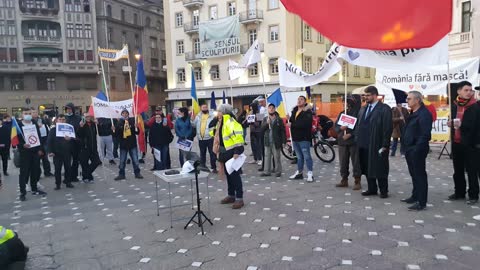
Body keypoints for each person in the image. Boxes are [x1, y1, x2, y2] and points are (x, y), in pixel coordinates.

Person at [355, 86, 393, 198]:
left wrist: (385, 144)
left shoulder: (384, 109)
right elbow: (359, 124)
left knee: (380, 167)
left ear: (375, 95)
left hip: (377, 143)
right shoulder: (363, 108)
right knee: (367, 167)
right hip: (363, 143)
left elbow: (387, 128)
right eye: (365, 95)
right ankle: (372, 188)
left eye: (368, 95)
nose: (366, 97)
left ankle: (383, 190)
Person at [447, 81, 480, 204]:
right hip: (457, 142)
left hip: (470, 144)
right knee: (458, 170)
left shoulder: (475, 106)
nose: (469, 93)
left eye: (470, 90)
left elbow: (475, 126)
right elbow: (454, 121)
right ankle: (459, 192)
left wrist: (461, 125)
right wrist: (451, 124)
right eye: (466, 90)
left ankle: (473, 195)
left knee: (472, 171)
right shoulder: (455, 105)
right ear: (459, 91)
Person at [401, 91, 433, 211]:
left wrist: (416, 149)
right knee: (413, 174)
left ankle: (422, 201)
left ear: (417, 100)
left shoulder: (424, 114)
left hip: (417, 149)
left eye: (409, 99)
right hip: (410, 148)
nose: (407, 100)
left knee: (420, 175)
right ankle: (415, 196)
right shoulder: (412, 112)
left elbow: (425, 135)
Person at [211, 104, 245, 209]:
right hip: (223, 152)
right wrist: (214, 122)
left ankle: (239, 198)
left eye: (219, 111)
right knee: (228, 175)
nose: (218, 113)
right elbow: (214, 133)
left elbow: (238, 137)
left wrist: (237, 151)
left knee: (235, 175)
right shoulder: (220, 122)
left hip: (231, 152)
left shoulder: (231, 122)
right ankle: (231, 195)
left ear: (224, 112)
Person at [17, 108, 47, 201]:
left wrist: (40, 149)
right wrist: (22, 145)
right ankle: (22, 192)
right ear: (22, 115)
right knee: (24, 173)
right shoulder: (18, 125)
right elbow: (15, 140)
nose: (28, 115)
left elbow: (38, 136)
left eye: (29, 113)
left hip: (35, 152)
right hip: (25, 153)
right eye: (25, 113)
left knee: (35, 171)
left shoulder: (34, 123)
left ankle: (34, 189)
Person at [335, 95, 362, 190]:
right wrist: (340, 128)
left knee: (356, 162)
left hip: (353, 142)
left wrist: (351, 134)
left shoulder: (359, 114)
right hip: (342, 141)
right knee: (343, 162)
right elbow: (336, 127)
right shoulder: (343, 113)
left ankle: (357, 180)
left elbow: (360, 128)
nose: (346, 104)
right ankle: (344, 179)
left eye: (348, 102)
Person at [289, 96, 314, 182]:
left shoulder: (307, 112)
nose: (299, 101)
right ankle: (299, 173)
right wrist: (289, 119)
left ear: (305, 102)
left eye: (301, 99)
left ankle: (310, 173)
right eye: (298, 99)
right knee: (299, 157)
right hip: (295, 138)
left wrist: (292, 125)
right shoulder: (294, 110)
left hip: (304, 138)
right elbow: (292, 121)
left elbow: (304, 124)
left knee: (307, 156)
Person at [47, 114, 74, 190]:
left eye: (63, 119)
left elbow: (74, 139)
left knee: (68, 168)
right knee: (57, 169)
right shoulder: (53, 130)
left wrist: (70, 139)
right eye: (60, 119)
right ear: (56, 121)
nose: (62, 121)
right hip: (57, 152)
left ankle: (68, 182)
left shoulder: (68, 128)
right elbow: (49, 141)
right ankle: (58, 184)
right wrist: (50, 151)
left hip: (67, 152)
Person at [114, 109, 143, 180]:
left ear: (128, 114)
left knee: (135, 159)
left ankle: (137, 173)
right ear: (121, 114)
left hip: (132, 143)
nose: (125, 114)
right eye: (123, 113)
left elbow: (137, 132)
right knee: (122, 160)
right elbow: (116, 134)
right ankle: (121, 174)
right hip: (123, 144)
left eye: (126, 113)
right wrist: (114, 130)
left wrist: (136, 127)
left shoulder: (132, 121)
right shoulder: (119, 122)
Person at [260, 104, 286, 177]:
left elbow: (282, 131)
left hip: (276, 141)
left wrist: (284, 141)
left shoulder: (278, 119)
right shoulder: (265, 119)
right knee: (267, 156)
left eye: (272, 108)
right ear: (267, 109)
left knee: (277, 156)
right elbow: (261, 129)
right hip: (267, 141)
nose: (271, 109)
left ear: (275, 109)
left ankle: (278, 171)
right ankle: (266, 171)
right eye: (269, 108)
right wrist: (266, 124)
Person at [78, 113, 101, 183]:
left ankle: (85, 174)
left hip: (93, 147)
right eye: (86, 116)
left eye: (89, 116)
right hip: (84, 147)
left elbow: (99, 132)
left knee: (97, 162)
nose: (88, 118)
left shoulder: (94, 124)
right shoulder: (82, 124)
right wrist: (81, 127)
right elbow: (79, 135)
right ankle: (88, 178)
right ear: (84, 117)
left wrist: (98, 125)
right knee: (84, 163)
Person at [193, 104, 217, 173]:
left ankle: (213, 167)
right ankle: (203, 167)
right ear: (201, 108)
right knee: (202, 154)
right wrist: (192, 120)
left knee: (212, 153)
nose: (205, 108)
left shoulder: (212, 116)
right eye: (203, 107)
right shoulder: (198, 116)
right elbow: (194, 125)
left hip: (210, 138)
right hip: (201, 138)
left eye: (206, 107)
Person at [32, 109, 53, 178]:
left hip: (44, 141)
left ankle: (47, 172)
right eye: (33, 112)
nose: (35, 113)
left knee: (45, 158)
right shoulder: (31, 121)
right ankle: (37, 174)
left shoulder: (42, 120)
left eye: (36, 112)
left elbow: (47, 128)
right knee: (37, 159)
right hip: (36, 143)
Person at [64, 103, 82, 182]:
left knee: (75, 160)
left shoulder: (78, 118)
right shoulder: (64, 118)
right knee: (67, 161)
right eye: (67, 109)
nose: (68, 110)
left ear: (73, 109)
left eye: (70, 109)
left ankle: (74, 176)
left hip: (75, 142)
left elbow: (80, 130)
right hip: (66, 142)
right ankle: (67, 177)